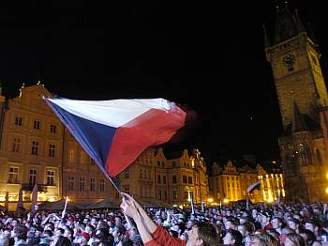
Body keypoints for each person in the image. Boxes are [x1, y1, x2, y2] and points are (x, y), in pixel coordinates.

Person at [120, 192, 218, 246]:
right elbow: (159, 234)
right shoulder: (182, 243)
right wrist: (135, 205)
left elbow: (151, 244)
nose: (188, 232)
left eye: (192, 232)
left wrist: (136, 217)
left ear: (200, 241)